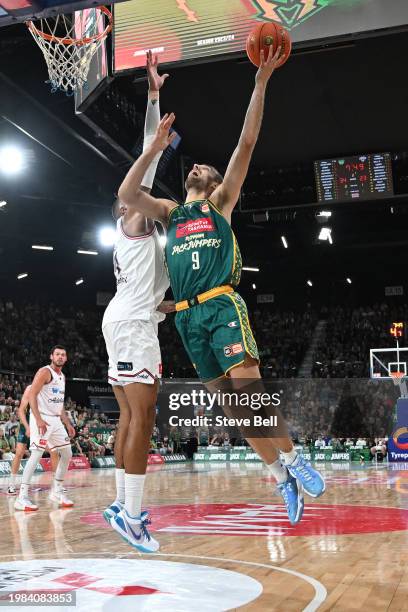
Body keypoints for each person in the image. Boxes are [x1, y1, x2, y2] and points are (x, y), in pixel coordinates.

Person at [117, 44, 325, 525]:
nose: (196, 167)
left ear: (211, 182)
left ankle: (296, 460)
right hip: (188, 317)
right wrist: (154, 148)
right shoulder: (171, 213)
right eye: (193, 166)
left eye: (202, 168)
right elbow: (128, 195)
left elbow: (246, 143)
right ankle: (281, 479)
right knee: (234, 411)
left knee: (249, 395)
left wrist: (260, 82)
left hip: (222, 307)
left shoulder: (221, 203)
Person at [101, 51, 170, 552]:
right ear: (124, 211)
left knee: (131, 418)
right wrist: (151, 97)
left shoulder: (142, 245)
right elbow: (145, 166)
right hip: (130, 327)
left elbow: (157, 300)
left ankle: (122, 506)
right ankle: (130, 515)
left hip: (130, 320)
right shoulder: (130, 222)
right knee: (143, 421)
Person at [14, 346, 75, 511]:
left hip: (56, 421)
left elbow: (59, 404)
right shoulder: (44, 372)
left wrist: (67, 423)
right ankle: (22, 497)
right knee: (36, 454)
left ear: (66, 358)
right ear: (51, 356)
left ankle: (56, 491)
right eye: (57, 354)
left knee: (67, 452)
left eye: (63, 354)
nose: (60, 357)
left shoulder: (62, 377)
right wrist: (39, 419)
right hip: (41, 418)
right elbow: (32, 394)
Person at [7, 385, 59, 496]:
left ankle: (56, 485)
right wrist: (27, 427)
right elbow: (21, 411)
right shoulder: (30, 389)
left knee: (54, 451)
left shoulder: (49, 392)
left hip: (40, 425)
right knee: (19, 453)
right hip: (26, 424)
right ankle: (12, 485)